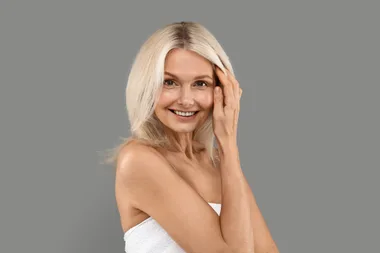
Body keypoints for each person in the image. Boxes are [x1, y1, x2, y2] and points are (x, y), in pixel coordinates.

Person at [104, 21, 279, 253]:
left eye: (200, 84)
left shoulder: (220, 162)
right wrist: (228, 142)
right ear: (147, 85)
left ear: (222, 91)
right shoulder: (138, 160)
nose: (186, 100)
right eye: (170, 82)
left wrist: (227, 150)